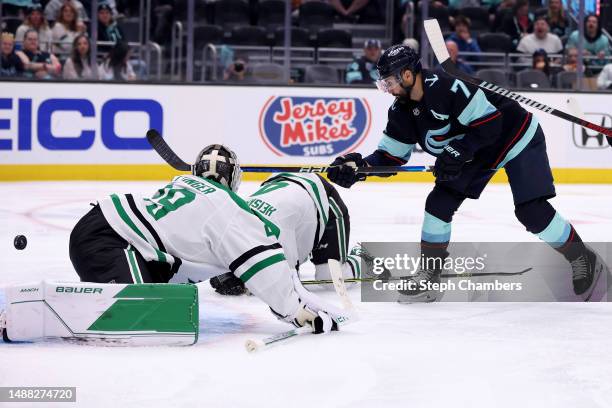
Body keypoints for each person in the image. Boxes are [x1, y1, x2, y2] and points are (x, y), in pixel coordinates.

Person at [327, 44, 608, 302]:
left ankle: (581, 256)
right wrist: (360, 168)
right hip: (477, 150)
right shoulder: (400, 112)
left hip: (515, 135)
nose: (387, 88)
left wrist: (459, 150)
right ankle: (430, 275)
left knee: (531, 211)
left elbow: (489, 124)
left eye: (389, 82)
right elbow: (390, 157)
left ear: (409, 75)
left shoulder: (446, 87)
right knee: (438, 203)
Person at [69, 145, 341, 333]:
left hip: (101, 229)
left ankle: (96, 299)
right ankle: (94, 306)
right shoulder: (227, 207)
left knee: (168, 306)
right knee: (143, 322)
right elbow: (262, 265)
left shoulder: (184, 184)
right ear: (234, 178)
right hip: (113, 241)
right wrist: (294, 310)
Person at [205, 173, 362, 295]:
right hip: (283, 188)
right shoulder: (236, 225)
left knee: (331, 280)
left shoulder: (278, 234)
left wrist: (247, 284)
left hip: (323, 198)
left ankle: (365, 255)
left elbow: (289, 287)